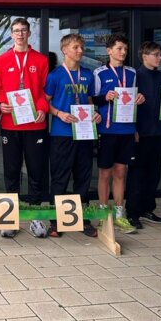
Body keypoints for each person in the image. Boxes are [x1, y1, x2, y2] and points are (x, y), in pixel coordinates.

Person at [0, 17, 49, 238]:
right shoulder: (2, 60)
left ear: (29, 34)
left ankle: (36, 216)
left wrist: (43, 108)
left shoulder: (41, 60)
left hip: (35, 124)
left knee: (36, 171)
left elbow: (45, 91)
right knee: (11, 171)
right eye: (16, 30)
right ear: (11, 34)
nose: (19, 34)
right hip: (10, 124)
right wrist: (0, 104)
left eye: (23, 30)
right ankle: (11, 219)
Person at [44, 34, 101, 238]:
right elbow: (45, 103)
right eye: (76, 47)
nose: (80, 51)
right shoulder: (55, 75)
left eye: (81, 48)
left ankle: (83, 220)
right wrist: (59, 113)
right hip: (61, 134)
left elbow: (88, 99)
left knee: (83, 177)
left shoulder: (87, 74)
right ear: (65, 50)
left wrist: (95, 113)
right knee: (60, 178)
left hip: (84, 133)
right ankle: (55, 221)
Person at [93, 34, 145, 234]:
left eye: (125, 49)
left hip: (127, 129)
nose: (123, 52)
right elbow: (92, 99)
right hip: (107, 130)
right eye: (119, 48)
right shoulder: (99, 73)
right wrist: (104, 97)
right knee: (105, 172)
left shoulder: (132, 73)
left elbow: (134, 97)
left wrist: (139, 98)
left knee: (121, 172)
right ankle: (102, 213)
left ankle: (119, 214)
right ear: (109, 51)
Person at [126, 41, 161, 228]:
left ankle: (147, 209)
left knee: (154, 174)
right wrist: (133, 129)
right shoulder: (135, 77)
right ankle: (132, 212)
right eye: (156, 54)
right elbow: (127, 105)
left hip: (157, 132)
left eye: (160, 55)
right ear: (145, 56)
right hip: (139, 134)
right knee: (137, 174)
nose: (160, 58)